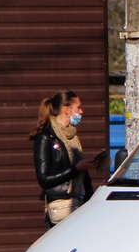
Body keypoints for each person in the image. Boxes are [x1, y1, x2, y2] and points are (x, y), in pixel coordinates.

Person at [28, 90, 105, 228]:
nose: (81, 111)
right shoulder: (46, 137)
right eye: (78, 107)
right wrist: (76, 168)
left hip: (80, 203)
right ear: (67, 110)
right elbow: (44, 179)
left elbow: (82, 175)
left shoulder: (71, 137)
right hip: (61, 205)